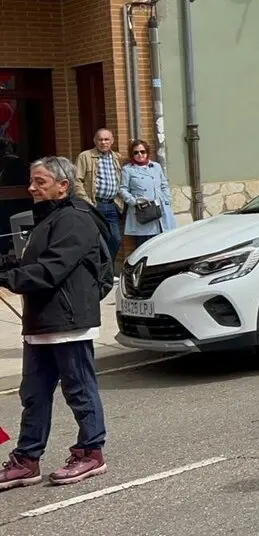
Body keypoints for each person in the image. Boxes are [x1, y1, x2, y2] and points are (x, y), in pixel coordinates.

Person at [0, 157, 112, 490]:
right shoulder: (48, 217)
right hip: (41, 322)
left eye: (40, 181)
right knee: (33, 394)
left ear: (63, 185)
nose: (32, 187)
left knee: (79, 391)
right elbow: (31, 262)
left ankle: (91, 452)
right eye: (31, 181)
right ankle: (27, 459)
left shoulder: (75, 219)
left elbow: (51, 269)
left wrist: (7, 278)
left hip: (68, 322)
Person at [73, 128, 123, 263]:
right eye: (100, 139)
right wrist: (87, 201)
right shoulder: (85, 156)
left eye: (107, 139)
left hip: (112, 205)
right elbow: (77, 181)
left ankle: (107, 269)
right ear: (95, 141)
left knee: (115, 240)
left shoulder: (118, 158)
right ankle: (98, 271)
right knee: (96, 240)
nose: (103, 142)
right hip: (95, 205)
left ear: (112, 141)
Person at [119, 139, 178, 247]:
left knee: (164, 242)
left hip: (161, 210)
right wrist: (134, 201)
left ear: (147, 152)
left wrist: (166, 200)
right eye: (136, 152)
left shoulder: (156, 166)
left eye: (142, 151)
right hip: (143, 210)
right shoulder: (128, 169)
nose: (140, 154)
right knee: (145, 245)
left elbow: (164, 185)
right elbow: (123, 189)